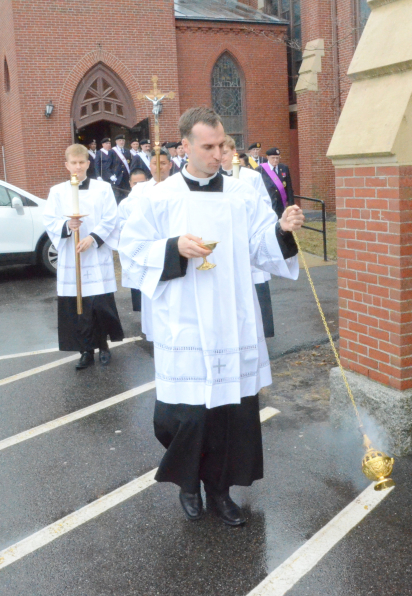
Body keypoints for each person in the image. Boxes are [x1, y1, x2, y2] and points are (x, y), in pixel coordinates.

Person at [118, 107, 304, 526]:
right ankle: (189, 484)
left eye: (222, 145)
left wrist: (282, 230)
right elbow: (130, 250)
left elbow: (261, 245)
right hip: (184, 319)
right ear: (184, 146)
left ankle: (220, 492)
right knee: (187, 414)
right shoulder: (158, 197)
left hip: (232, 317)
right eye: (209, 146)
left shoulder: (243, 193)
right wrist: (172, 248)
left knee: (230, 414)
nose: (219, 153)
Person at [43, 144, 124, 369]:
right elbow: (49, 219)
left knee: (99, 304)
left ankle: (104, 346)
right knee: (77, 305)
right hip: (72, 255)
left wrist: (93, 238)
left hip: (96, 254)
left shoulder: (103, 188)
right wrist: (67, 225)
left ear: (88, 163)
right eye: (74, 163)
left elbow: (111, 218)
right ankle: (85, 350)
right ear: (66, 165)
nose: (78, 167)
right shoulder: (57, 191)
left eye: (82, 162)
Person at [221, 136, 275, 338]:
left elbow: (265, 206)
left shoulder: (251, 177)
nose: (221, 157)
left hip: (247, 236)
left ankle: (261, 330)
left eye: (225, 152)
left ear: (234, 152)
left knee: (255, 282)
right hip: (225, 240)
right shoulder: (214, 177)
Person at [118, 148, 173, 340]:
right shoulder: (141, 189)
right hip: (153, 250)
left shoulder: (178, 186)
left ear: (170, 165)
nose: (159, 167)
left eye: (164, 163)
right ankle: (155, 336)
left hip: (175, 248)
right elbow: (125, 212)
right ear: (150, 166)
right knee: (154, 297)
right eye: (155, 164)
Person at [258, 147, 295, 219]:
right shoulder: (260, 170)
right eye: (273, 158)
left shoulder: (284, 168)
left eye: (277, 158)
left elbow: (289, 188)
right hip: (267, 203)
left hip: (280, 204)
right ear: (267, 157)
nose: (275, 160)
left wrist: (291, 205)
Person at [109, 134, 131, 199]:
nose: (121, 142)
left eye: (123, 140)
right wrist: (110, 175)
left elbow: (130, 164)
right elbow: (108, 166)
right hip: (116, 178)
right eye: (120, 140)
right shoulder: (112, 151)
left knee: (127, 196)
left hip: (126, 179)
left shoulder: (127, 151)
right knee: (117, 197)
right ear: (116, 142)